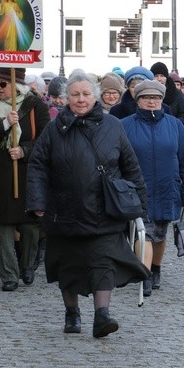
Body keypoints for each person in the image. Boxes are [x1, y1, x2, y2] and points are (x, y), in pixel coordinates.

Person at [26, 73, 149, 338]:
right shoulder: (54, 128)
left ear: (95, 96)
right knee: (67, 265)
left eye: (85, 94)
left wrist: (141, 205)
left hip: (104, 210)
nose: (80, 99)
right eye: (75, 94)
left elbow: (131, 166)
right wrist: (37, 201)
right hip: (63, 209)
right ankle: (72, 313)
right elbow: (37, 165)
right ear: (65, 98)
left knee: (102, 263)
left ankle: (101, 316)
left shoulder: (113, 126)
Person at [0, 67, 50, 291]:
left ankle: (27, 265)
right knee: (2, 225)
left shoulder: (35, 106)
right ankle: (8, 275)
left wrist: (25, 150)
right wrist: (4, 123)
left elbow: (46, 140)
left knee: (29, 225)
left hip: (27, 173)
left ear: (16, 85)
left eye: (2, 84)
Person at [121, 80, 184, 297]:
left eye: (156, 98)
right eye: (147, 98)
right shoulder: (125, 125)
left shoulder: (175, 125)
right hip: (137, 190)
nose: (152, 101)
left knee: (160, 234)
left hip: (167, 188)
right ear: (138, 100)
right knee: (142, 233)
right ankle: (144, 275)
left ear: (162, 100)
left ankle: (155, 268)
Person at [150, 61, 184, 126]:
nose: (159, 79)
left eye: (162, 76)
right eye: (156, 76)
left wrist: (173, 126)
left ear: (166, 77)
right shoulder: (147, 92)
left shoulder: (176, 92)